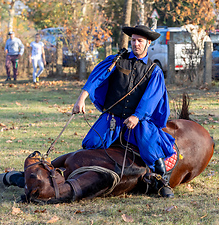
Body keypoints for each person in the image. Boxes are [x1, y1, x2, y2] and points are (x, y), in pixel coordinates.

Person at [72, 25, 176, 198]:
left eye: (139, 41)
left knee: (150, 147)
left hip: (138, 120)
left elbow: (151, 98)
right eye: (133, 40)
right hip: (113, 117)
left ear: (148, 43)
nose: (135, 44)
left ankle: (162, 181)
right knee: (91, 142)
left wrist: (137, 116)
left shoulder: (153, 71)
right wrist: (81, 98)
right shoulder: (117, 60)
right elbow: (97, 77)